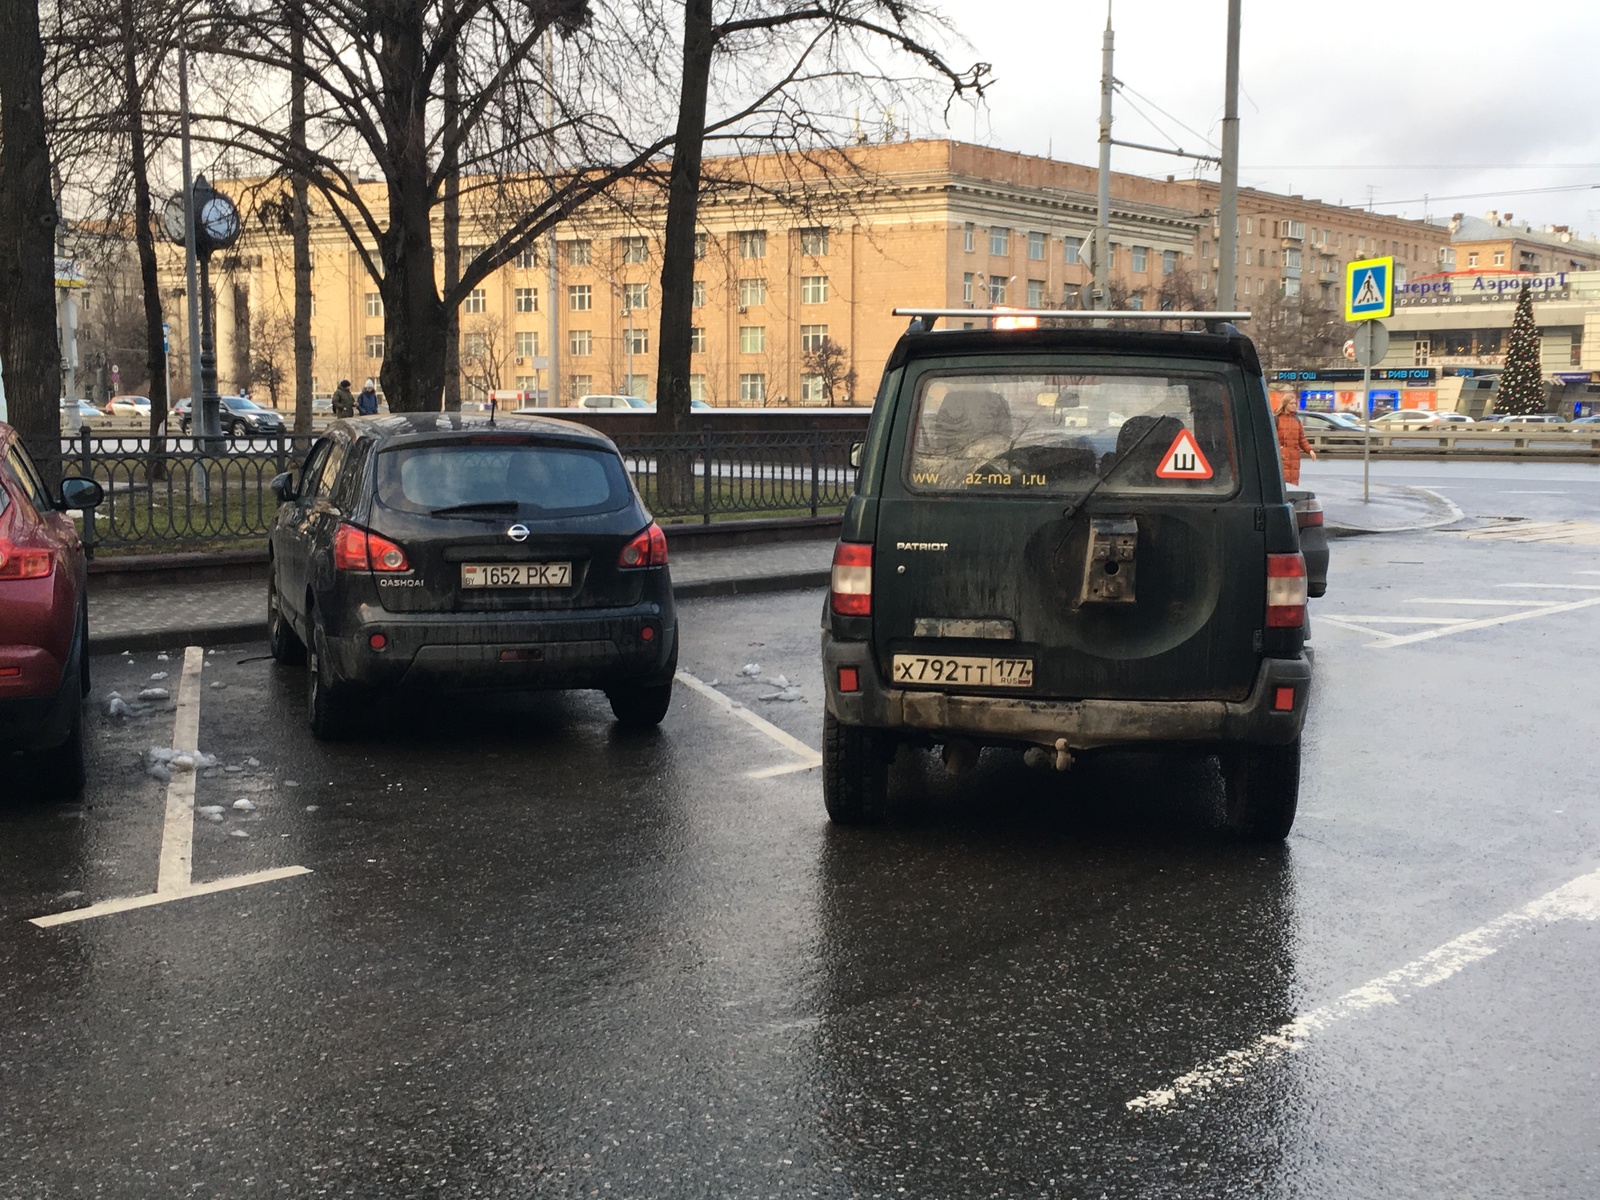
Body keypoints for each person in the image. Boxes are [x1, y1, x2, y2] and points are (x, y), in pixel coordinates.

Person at [1275, 394, 1316, 485]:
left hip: (1294, 457)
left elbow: (1302, 438)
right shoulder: (1277, 419)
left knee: (1293, 481)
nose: (1294, 405)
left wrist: (1309, 450)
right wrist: (1278, 449)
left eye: (1295, 403)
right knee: (1282, 482)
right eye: (1291, 403)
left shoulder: (1296, 420)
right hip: (1281, 456)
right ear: (1285, 404)